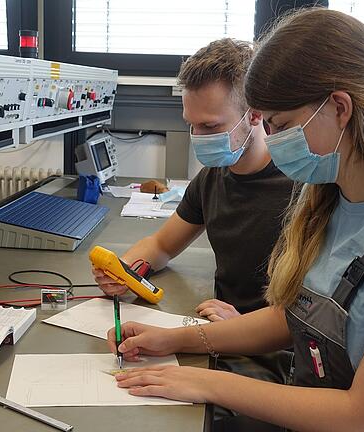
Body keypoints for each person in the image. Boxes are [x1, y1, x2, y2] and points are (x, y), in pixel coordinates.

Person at [106, 8, 364, 431]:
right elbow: (291, 318)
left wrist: (205, 382)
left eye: (281, 125)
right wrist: (174, 339)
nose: (275, 141)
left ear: (339, 108)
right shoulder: (333, 199)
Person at [93, 38, 294, 321]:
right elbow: (161, 245)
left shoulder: (299, 188)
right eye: (191, 125)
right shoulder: (212, 178)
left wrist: (241, 325)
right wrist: (123, 271)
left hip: (270, 346)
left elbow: (308, 315)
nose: (198, 137)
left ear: (255, 114)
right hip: (220, 326)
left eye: (210, 126)